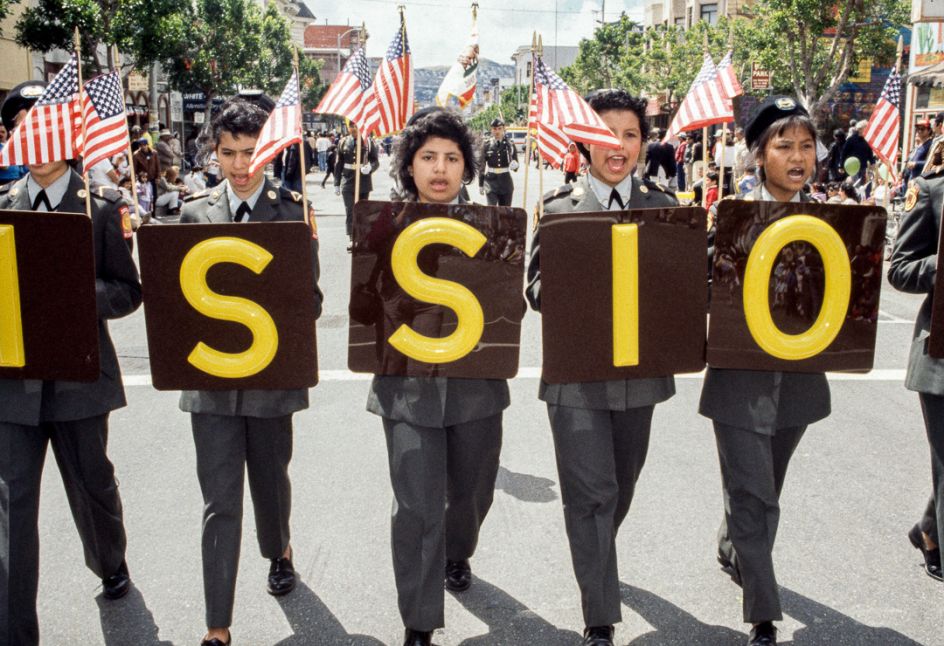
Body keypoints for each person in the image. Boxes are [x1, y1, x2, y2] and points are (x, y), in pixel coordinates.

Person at [525, 88, 678, 646]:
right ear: (585, 142)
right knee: (591, 494)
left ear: (643, 142)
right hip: (576, 376)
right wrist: (579, 284)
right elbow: (534, 288)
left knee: (621, 488)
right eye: (606, 134)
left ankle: (594, 553)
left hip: (639, 377)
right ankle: (600, 616)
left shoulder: (665, 207)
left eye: (631, 134)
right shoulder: (558, 209)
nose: (618, 146)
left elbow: (681, 289)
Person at [178, 98, 323, 646]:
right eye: (229, 153)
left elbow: (310, 299)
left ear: (268, 152)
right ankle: (218, 626)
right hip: (210, 382)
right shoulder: (192, 213)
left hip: (269, 378)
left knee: (269, 479)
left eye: (250, 153)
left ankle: (279, 548)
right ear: (214, 154)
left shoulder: (291, 212)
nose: (241, 166)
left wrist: (275, 305)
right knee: (219, 500)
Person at [0, 80, 140, 646]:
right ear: (11, 137)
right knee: (11, 503)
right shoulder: (2, 211)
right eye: (21, 127)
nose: (35, 138)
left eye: (45, 124)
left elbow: (128, 292)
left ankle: (110, 561)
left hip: (81, 377)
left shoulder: (101, 208)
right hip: (13, 383)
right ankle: (14, 631)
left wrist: (74, 293)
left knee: (91, 483)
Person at [366, 107, 507, 646]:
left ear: (466, 166)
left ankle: (457, 550)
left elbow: (506, 309)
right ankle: (419, 621)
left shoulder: (493, 224)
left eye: (451, 157)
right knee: (416, 507)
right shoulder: (381, 224)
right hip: (406, 387)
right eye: (428, 157)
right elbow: (360, 310)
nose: (440, 168)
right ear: (410, 166)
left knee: (471, 495)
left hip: (476, 387)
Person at [701, 96, 825, 646]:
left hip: (798, 381)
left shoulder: (831, 218)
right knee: (756, 494)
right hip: (740, 377)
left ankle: (733, 546)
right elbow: (701, 289)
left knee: (765, 483)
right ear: (758, 155)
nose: (797, 156)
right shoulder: (729, 215)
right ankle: (763, 613)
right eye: (784, 145)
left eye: (806, 145)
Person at [888, 134, 944, 585]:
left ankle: (930, 529)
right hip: (940, 356)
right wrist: (941, 261)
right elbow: (899, 268)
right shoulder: (933, 191)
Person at [335, 121, 379, 240]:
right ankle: (351, 236)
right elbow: (339, 164)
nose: (353, 129)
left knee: (362, 210)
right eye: (351, 126)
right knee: (350, 209)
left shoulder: (368, 141)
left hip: (363, 181)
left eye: (356, 126)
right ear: (348, 128)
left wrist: (370, 167)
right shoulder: (342, 142)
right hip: (347, 181)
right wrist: (336, 183)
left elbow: (375, 161)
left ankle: (362, 236)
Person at [478, 117, 519, 206]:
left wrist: (515, 165)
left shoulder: (510, 144)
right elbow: (482, 166)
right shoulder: (486, 145)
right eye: (494, 129)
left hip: (506, 182)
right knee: (492, 211)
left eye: (499, 129)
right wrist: (480, 184)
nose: (497, 131)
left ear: (503, 129)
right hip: (490, 183)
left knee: (505, 212)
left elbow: (515, 166)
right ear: (491, 130)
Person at [903, 119, 933, 187]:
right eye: (917, 129)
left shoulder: (930, 144)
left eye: (922, 129)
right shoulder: (919, 146)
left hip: (922, 181)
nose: (919, 131)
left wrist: (916, 164)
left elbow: (931, 162)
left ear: (929, 130)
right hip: (912, 180)